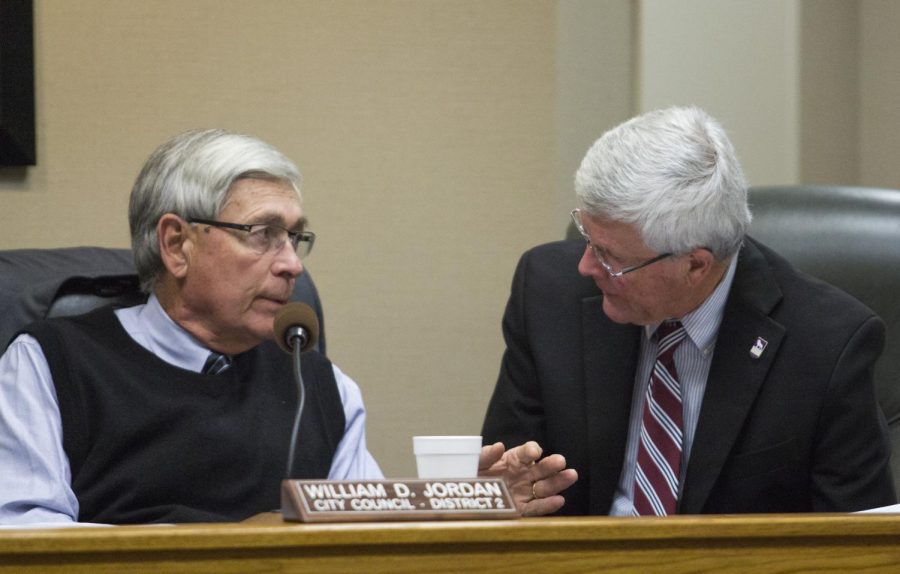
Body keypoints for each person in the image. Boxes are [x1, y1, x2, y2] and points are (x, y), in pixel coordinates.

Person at [0, 129, 574, 524]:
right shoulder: (49, 364)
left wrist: (453, 507)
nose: (292, 264)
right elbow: (26, 536)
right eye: (261, 234)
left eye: (295, 237)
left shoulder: (321, 387)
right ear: (176, 244)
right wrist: (231, 543)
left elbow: (361, 534)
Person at [482, 106, 896, 515]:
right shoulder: (548, 295)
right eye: (587, 236)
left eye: (609, 255)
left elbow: (858, 542)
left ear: (695, 264)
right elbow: (508, 485)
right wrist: (493, 501)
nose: (586, 266)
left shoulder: (828, 344)